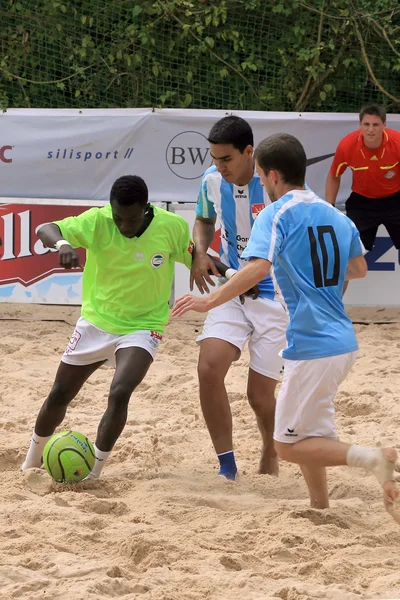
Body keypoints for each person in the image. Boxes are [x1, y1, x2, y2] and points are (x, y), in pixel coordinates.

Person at [172, 132, 400, 522]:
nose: (260, 182)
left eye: (261, 176)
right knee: (312, 432)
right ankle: (320, 506)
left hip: (311, 342)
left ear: (274, 175)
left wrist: (210, 300)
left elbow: (257, 267)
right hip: (342, 340)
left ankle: (373, 459)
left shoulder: (274, 215)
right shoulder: (335, 214)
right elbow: (358, 269)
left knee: (288, 446)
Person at [21, 175, 195, 480]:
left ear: (146, 209)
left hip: (144, 325)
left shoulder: (172, 226)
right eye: (118, 218)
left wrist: (235, 275)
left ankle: (94, 473)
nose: (124, 226)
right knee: (60, 394)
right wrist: (62, 243)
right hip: (96, 323)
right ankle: (30, 462)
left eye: (131, 219)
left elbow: (199, 259)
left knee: (120, 391)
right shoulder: (98, 221)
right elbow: (44, 229)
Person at [191, 115, 288, 481]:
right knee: (208, 368)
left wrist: (252, 274)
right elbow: (203, 220)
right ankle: (227, 465)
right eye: (214, 158)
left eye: (226, 159)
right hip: (233, 290)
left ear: (250, 152)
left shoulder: (278, 185)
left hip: (275, 297)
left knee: (260, 398)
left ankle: (270, 448)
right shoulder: (211, 180)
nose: (219, 166)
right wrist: (201, 252)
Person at [326, 103, 400, 251]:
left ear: (384, 124)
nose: (370, 130)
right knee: (352, 251)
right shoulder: (347, 146)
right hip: (363, 202)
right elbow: (334, 176)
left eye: (376, 124)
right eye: (366, 124)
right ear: (360, 124)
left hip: (395, 199)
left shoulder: (397, 142)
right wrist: (330, 207)